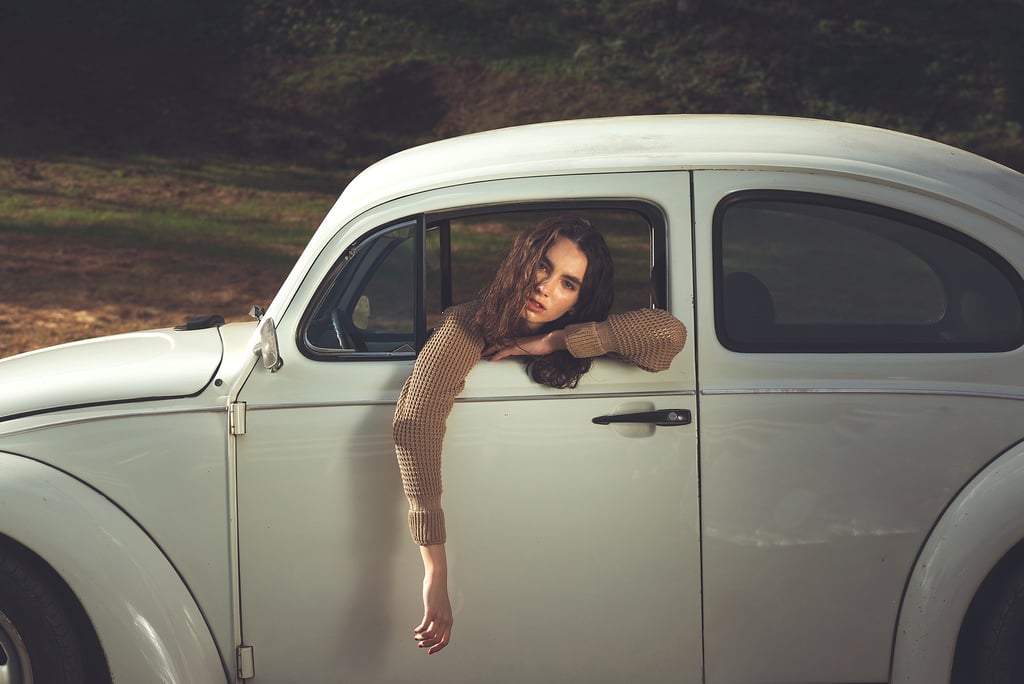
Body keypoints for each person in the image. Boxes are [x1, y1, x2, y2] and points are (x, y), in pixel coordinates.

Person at [392, 215, 687, 654]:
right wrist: (435, 570)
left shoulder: (577, 333)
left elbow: (669, 335)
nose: (546, 287)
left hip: (592, 524)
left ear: (577, 301)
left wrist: (556, 342)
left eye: (569, 284)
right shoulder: (469, 324)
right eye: (543, 267)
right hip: (502, 518)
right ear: (523, 260)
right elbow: (416, 423)